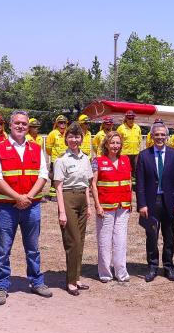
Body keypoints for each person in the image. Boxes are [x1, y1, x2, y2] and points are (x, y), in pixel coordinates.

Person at [0, 110, 52, 305]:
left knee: (33, 248)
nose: (21, 126)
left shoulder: (36, 148)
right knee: (3, 249)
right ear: (10, 124)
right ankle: (1, 285)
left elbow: (43, 174)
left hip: (31, 206)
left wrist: (28, 197)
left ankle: (36, 281)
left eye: (24, 124)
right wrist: (18, 197)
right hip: (7, 208)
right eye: (17, 123)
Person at [136, 121, 174, 282]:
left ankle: (168, 267)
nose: (160, 137)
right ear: (151, 136)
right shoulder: (144, 156)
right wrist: (141, 204)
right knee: (151, 236)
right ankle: (152, 267)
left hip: (169, 202)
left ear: (167, 136)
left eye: (163, 134)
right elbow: (140, 183)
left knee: (169, 236)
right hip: (151, 202)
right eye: (157, 134)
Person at [53, 122, 95, 295]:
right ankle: (70, 281)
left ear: (81, 138)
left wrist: (89, 205)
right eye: (70, 136)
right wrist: (62, 211)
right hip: (68, 198)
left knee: (81, 241)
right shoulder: (61, 160)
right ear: (66, 138)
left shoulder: (85, 158)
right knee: (73, 241)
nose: (74, 140)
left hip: (82, 200)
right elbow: (58, 187)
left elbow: (87, 184)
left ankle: (77, 278)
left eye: (77, 136)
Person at [91, 130, 132, 283]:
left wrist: (130, 201)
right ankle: (105, 273)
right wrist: (97, 205)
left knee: (120, 240)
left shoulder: (126, 160)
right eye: (112, 142)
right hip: (105, 207)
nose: (115, 146)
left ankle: (121, 272)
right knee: (104, 240)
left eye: (118, 143)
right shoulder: (98, 161)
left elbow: (128, 182)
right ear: (106, 144)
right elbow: (93, 185)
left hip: (123, 207)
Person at [45, 114, 69, 201]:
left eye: (64, 123)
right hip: (55, 160)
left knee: (65, 177)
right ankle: (53, 195)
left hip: (66, 160)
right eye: (60, 123)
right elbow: (48, 148)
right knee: (54, 178)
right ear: (57, 124)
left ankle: (62, 194)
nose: (62, 124)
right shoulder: (53, 134)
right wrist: (54, 156)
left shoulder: (67, 133)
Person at [118, 110, 142, 181]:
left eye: (132, 118)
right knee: (125, 171)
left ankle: (134, 186)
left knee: (136, 171)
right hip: (125, 154)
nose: (131, 120)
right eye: (129, 118)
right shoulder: (121, 128)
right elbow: (118, 141)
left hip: (136, 153)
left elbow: (139, 140)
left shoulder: (137, 127)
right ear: (126, 118)